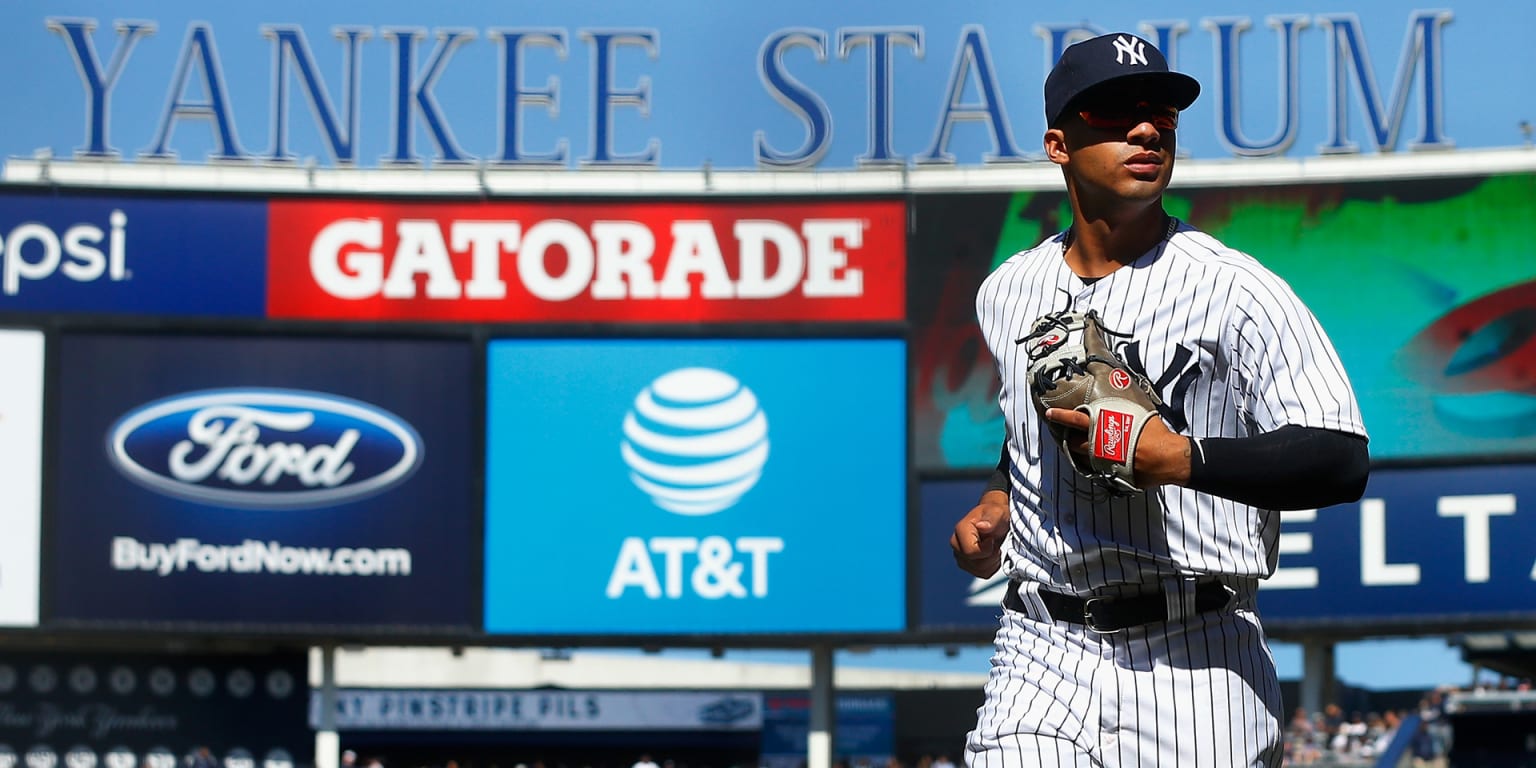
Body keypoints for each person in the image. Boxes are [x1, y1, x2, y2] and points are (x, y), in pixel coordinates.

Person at [950, 32, 1370, 767]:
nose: (1146, 129)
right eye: (1114, 113)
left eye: (1162, 114)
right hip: (1042, 647)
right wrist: (996, 500)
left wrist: (1180, 459)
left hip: (1197, 656)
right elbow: (1026, 434)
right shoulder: (1007, 291)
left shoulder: (1234, 288)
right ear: (1058, 144)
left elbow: (1340, 458)